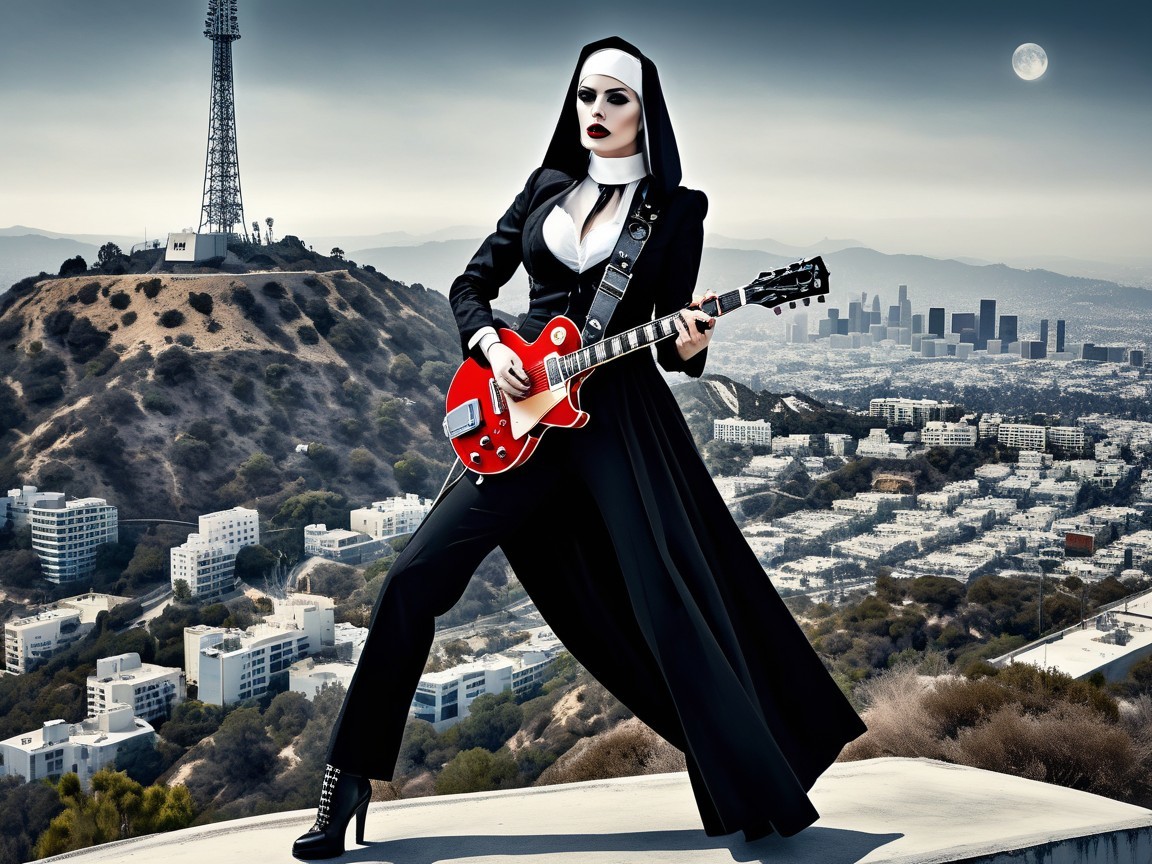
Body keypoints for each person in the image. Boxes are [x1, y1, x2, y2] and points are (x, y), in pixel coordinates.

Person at [292, 36, 865, 860]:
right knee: (415, 575)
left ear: (645, 113)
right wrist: (492, 348)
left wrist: (697, 340)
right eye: (586, 96)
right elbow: (470, 286)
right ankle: (344, 780)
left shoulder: (675, 211)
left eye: (615, 99)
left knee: (666, 603)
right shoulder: (544, 190)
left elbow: (672, 348)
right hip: (518, 406)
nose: (595, 112)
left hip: (620, 422)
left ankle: (754, 778)